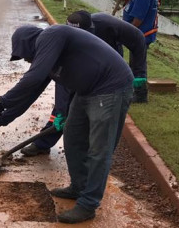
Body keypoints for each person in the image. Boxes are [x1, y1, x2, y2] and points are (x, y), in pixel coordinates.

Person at [0, 24, 133, 224]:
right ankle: (79, 187)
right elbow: (29, 95)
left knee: (99, 149)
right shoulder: (47, 59)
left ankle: (88, 204)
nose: (27, 60)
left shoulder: (51, 35)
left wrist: (3, 100)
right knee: (72, 137)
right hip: (87, 91)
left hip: (110, 87)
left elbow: (33, 77)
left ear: (31, 43)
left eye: (24, 55)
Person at [21, 10, 147, 156]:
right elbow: (63, 83)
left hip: (111, 70)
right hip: (83, 69)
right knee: (64, 109)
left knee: (99, 112)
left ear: (91, 28)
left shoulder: (106, 23)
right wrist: (61, 111)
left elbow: (138, 38)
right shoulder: (65, 40)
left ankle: (93, 151)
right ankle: (43, 143)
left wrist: (139, 73)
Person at [118, 0, 159, 103]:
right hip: (139, 31)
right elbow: (135, 5)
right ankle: (135, 91)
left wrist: (128, 32)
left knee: (138, 65)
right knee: (135, 62)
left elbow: (139, 16)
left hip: (141, 32)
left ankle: (140, 95)